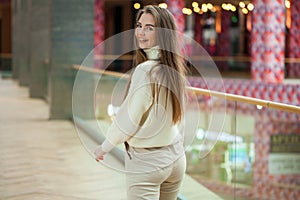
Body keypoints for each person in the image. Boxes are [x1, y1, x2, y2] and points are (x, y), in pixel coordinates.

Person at [94, 5, 187, 200]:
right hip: (176, 157)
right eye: (139, 25)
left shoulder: (146, 71)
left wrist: (106, 146)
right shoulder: (173, 69)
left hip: (148, 162)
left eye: (149, 28)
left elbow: (129, 118)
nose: (140, 33)